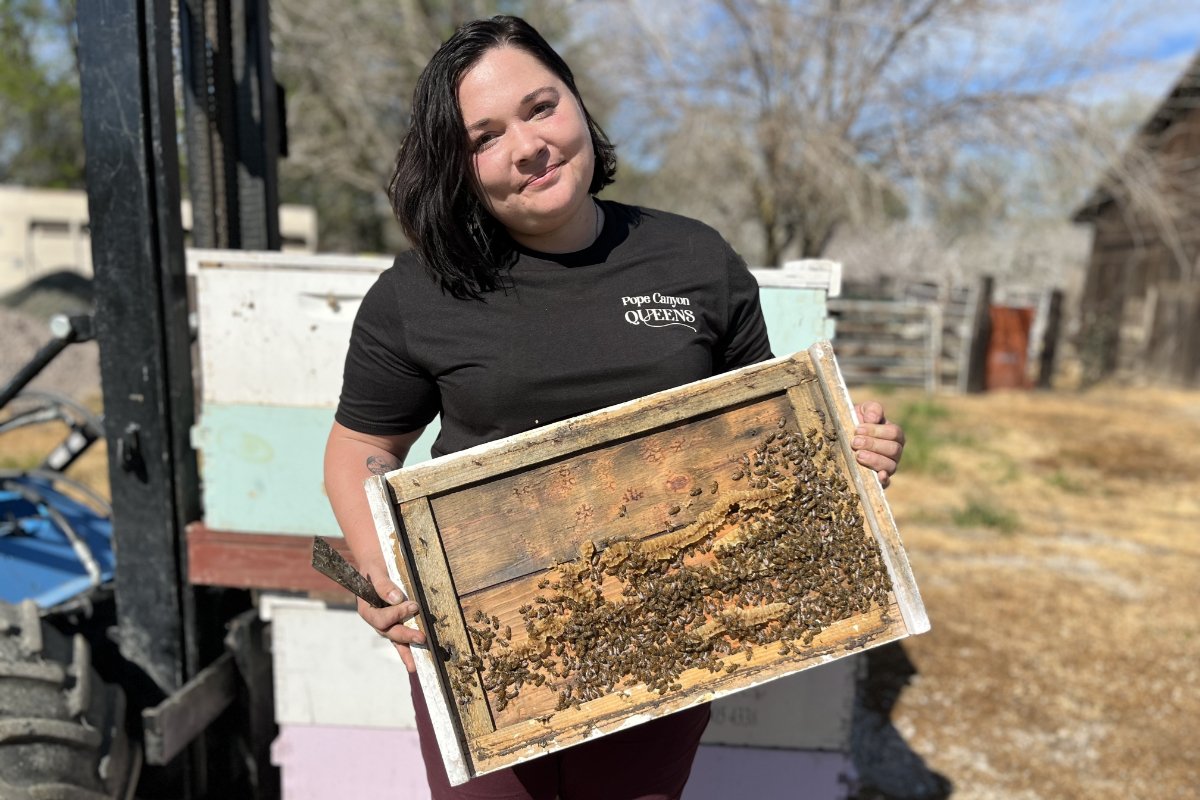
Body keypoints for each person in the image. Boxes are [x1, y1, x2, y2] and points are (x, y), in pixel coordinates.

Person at [323, 15, 906, 800]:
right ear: (458, 166)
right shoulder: (419, 291)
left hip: (673, 634)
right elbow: (359, 448)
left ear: (578, 104)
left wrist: (849, 452)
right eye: (484, 136)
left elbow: (767, 435)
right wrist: (386, 584)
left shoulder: (696, 258)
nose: (528, 145)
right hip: (484, 650)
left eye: (540, 107)